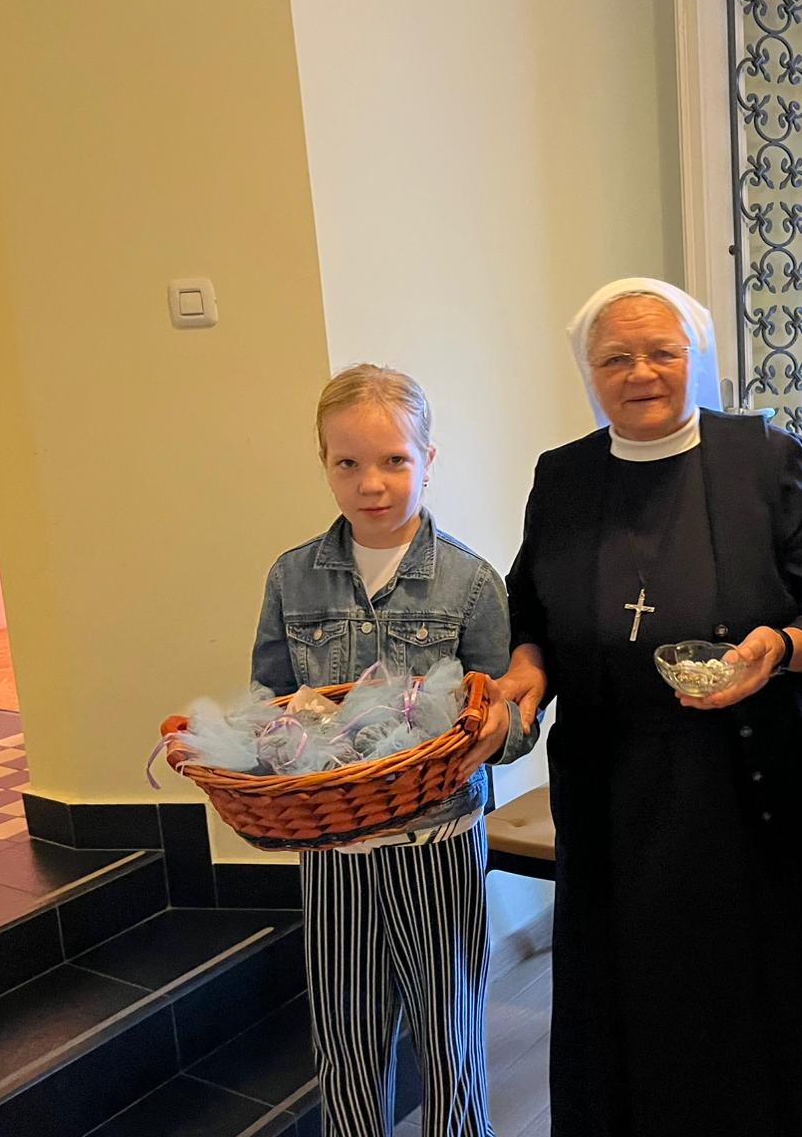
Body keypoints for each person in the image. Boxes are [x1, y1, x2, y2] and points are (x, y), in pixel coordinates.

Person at [497, 278, 802, 1137]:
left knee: (776, 1006)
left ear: (698, 357)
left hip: (763, 787)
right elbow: (531, 611)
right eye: (616, 358)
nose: (640, 373)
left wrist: (781, 649)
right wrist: (526, 672)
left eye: (663, 352)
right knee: (647, 1004)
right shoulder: (564, 476)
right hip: (619, 799)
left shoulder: (761, 457)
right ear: (588, 371)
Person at [251, 363, 533, 1137]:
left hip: (437, 843)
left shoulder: (471, 583)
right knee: (344, 1036)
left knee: (449, 1030)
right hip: (333, 848)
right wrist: (261, 753)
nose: (371, 483)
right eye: (348, 462)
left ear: (428, 459)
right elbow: (268, 698)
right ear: (323, 462)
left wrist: (497, 730)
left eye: (394, 460)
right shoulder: (292, 578)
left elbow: (513, 719)